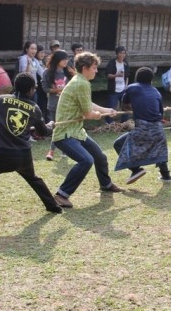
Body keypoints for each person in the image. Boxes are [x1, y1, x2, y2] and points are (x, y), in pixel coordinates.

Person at [0, 73, 63, 227]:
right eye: (34, 88)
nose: (34, 91)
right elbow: (43, 132)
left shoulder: (1, 100)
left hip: (5, 156)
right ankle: (53, 206)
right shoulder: (34, 108)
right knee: (32, 177)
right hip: (24, 155)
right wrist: (51, 125)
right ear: (30, 90)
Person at [51, 51, 124, 208]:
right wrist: (99, 115)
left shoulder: (79, 81)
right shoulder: (81, 83)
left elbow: (88, 104)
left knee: (100, 157)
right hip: (65, 134)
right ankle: (61, 194)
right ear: (85, 68)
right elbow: (89, 113)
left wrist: (107, 110)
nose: (96, 71)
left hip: (76, 131)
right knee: (86, 160)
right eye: (94, 68)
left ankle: (106, 184)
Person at [113, 67, 171, 183]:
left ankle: (135, 170)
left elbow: (124, 105)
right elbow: (161, 112)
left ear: (136, 78)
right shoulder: (156, 91)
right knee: (158, 146)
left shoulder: (132, 88)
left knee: (118, 144)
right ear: (151, 80)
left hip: (143, 128)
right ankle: (166, 176)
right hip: (158, 128)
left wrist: (135, 107)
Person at [42, 49, 69, 161]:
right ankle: (52, 151)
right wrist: (57, 90)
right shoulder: (47, 73)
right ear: (58, 60)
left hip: (67, 105)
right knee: (56, 128)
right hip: (54, 104)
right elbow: (45, 88)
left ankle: (64, 151)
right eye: (64, 59)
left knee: (65, 127)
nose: (66, 61)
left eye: (67, 59)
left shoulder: (68, 72)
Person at [105, 46, 130, 124]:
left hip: (123, 88)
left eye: (124, 53)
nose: (122, 55)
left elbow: (127, 76)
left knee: (125, 106)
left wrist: (126, 85)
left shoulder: (125, 64)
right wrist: (116, 75)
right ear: (117, 54)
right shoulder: (112, 63)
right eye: (120, 53)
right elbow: (108, 75)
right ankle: (109, 122)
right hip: (113, 88)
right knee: (111, 106)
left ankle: (124, 122)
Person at [35, 44, 48, 118]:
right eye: (41, 52)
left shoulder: (43, 62)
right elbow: (42, 74)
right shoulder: (35, 62)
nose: (42, 54)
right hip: (38, 87)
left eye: (43, 52)